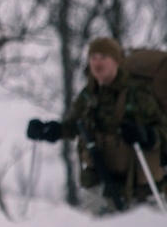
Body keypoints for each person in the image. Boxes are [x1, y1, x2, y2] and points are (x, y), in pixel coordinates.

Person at [26, 37, 167, 215]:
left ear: (116, 61)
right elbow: (76, 125)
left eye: (103, 57)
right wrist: (51, 131)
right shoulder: (88, 96)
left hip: (138, 189)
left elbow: (163, 132)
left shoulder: (137, 96)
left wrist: (146, 135)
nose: (97, 63)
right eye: (93, 58)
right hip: (98, 183)